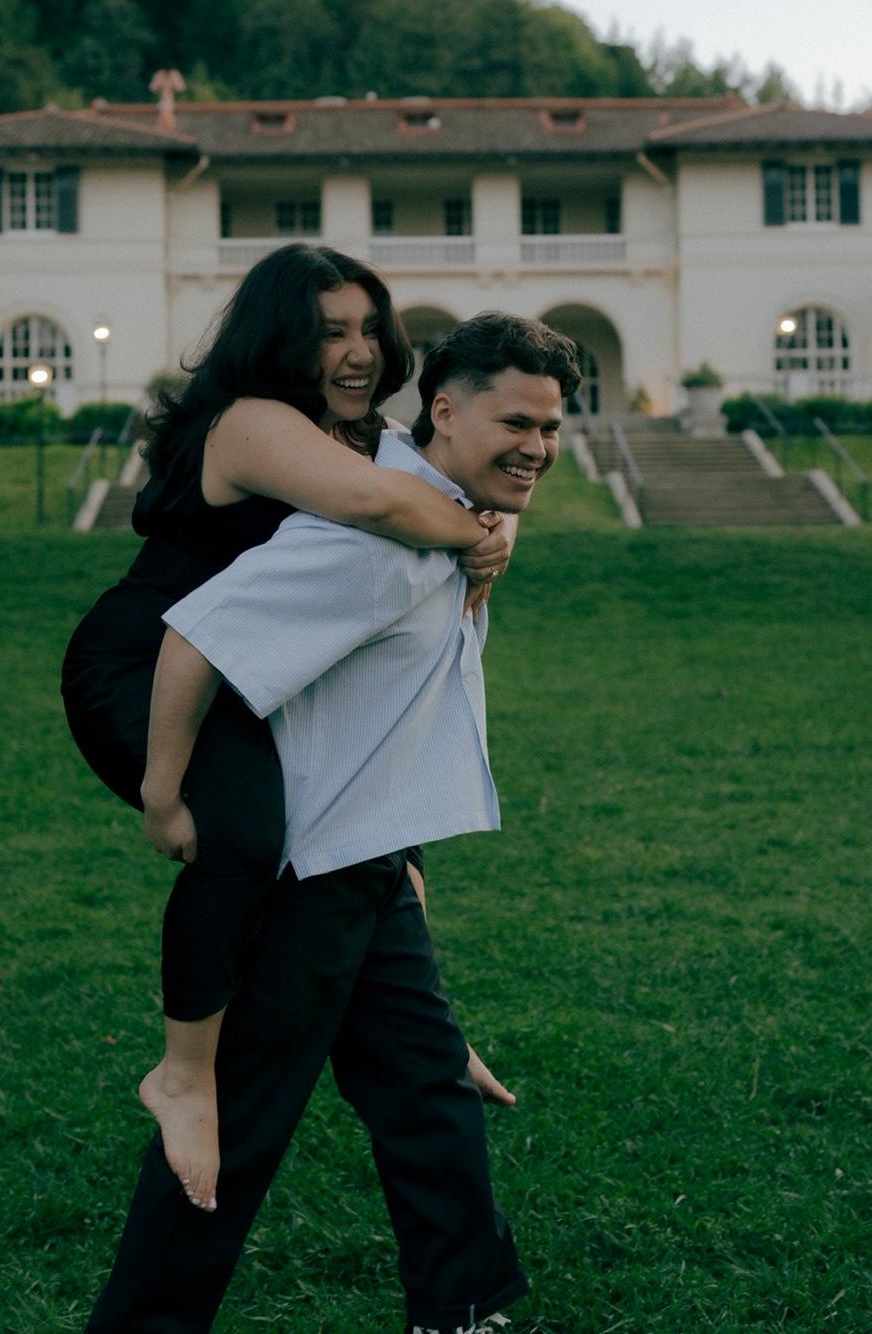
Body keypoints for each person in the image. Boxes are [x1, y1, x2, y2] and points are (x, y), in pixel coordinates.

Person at [85, 312, 581, 1333]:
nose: (537, 446)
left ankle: (458, 1310)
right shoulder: (369, 542)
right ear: (445, 411)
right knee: (243, 1116)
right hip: (304, 878)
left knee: (428, 1089)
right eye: (516, 422)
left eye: (551, 427)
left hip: (373, 863)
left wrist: (404, 876)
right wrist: (165, 794)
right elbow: (197, 637)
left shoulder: (449, 522)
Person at [62, 244, 515, 1214]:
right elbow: (381, 500)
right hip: (148, 664)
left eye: (368, 329)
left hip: (254, 678)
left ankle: (421, 1035)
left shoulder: (360, 432)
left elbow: (455, 485)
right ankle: (183, 1076)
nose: (358, 352)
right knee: (246, 833)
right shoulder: (251, 420)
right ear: (279, 339)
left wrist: (491, 522)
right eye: (328, 332)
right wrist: (161, 794)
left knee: (374, 832)